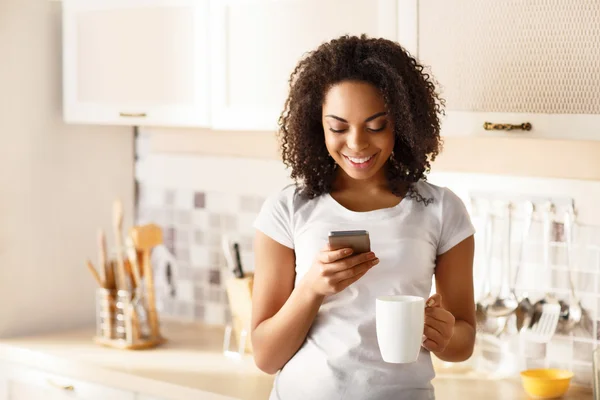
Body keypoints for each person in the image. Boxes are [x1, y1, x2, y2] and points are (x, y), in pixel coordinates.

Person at [251, 34, 476, 400]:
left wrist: (445, 333)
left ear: (403, 123)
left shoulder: (441, 210)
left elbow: (463, 341)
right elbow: (265, 355)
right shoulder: (287, 209)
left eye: (376, 126)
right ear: (316, 125)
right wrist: (311, 288)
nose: (356, 143)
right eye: (338, 128)